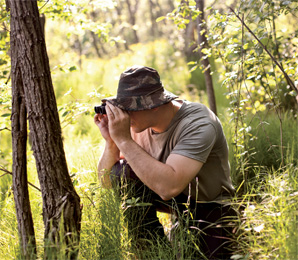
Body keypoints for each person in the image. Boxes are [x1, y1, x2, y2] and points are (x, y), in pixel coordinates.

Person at [94, 65, 236, 259]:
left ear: (155, 105)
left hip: (210, 206)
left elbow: (169, 188)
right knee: (122, 174)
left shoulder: (199, 123)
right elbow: (107, 181)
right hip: (176, 205)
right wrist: (112, 142)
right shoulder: (138, 126)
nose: (125, 115)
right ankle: (152, 253)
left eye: (130, 108)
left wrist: (124, 140)